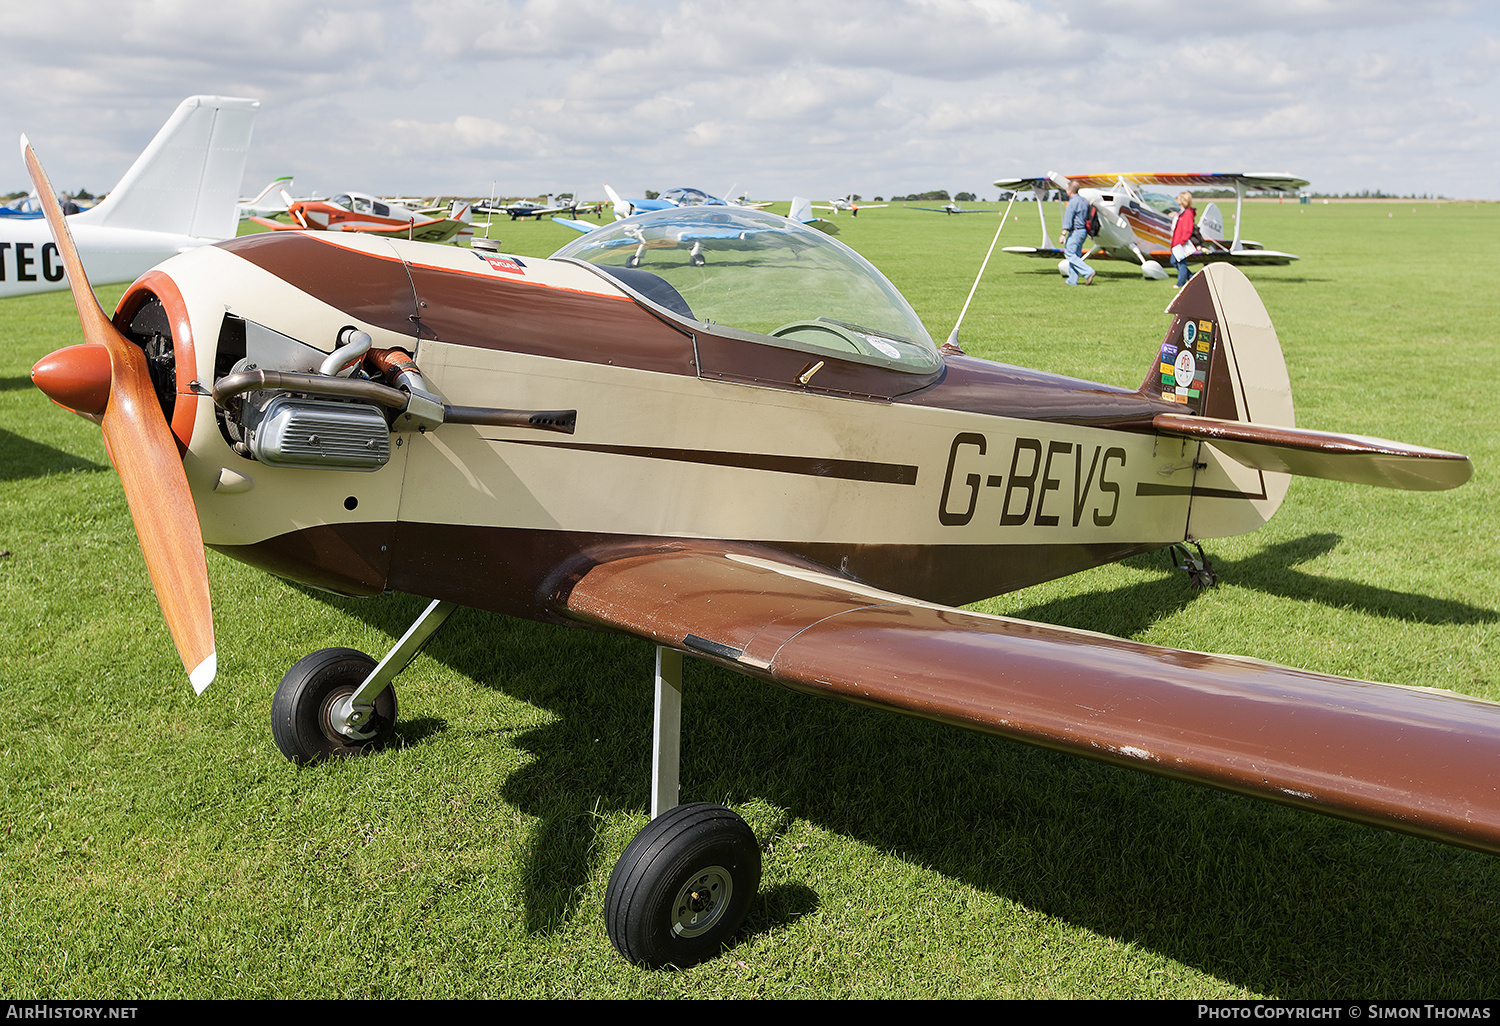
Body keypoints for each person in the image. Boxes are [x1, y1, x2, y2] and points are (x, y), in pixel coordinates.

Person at [1060, 180, 1094, 286]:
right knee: (1076, 256)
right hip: (1083, 231)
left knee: (1069, 254)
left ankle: (1088, 272)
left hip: (1075, 231)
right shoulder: (1084, 201)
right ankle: (1071, 281)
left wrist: (1063, 233)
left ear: (1069, 190)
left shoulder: (1072, 202)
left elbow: (1068, 219)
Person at [1170, 191, 1196, 288]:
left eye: (1179, 198)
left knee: (1181, 262)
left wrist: (1182, 241)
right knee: (1174, 261)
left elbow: (1187, 229)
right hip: (1176, 242)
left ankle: (1180, 283)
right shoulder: (1180, 213)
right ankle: (1192, 277)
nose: (1177, 199)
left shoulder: (1188, 213)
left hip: (1181, 243)